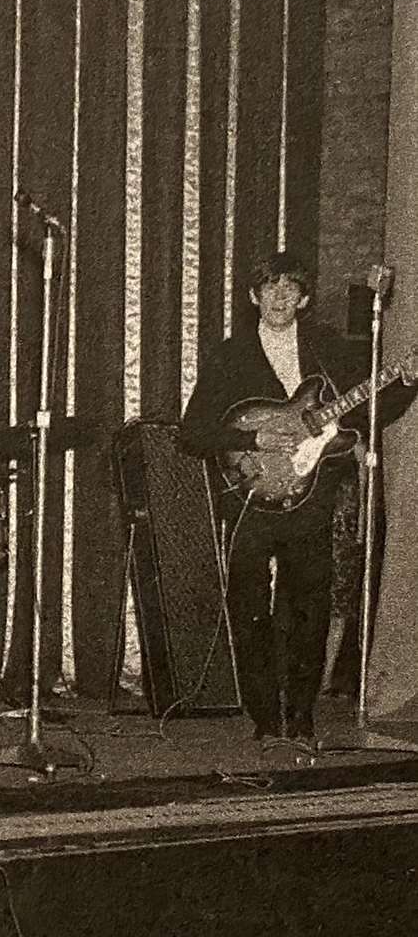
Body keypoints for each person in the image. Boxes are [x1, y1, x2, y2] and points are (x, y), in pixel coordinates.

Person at [180, 251, 414, 748]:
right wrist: (254, 442)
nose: (281, 297)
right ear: (253, 296)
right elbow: (193, 432)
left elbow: (369, 408)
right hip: (249, 493)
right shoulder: (229, 355)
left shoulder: (327, 350)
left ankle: (301, 716)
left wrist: (408, 382)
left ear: (304, 299)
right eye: (271, 288)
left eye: (291, 289)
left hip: (310, 498)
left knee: (308, 608)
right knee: (250, 606)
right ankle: (265, 716)